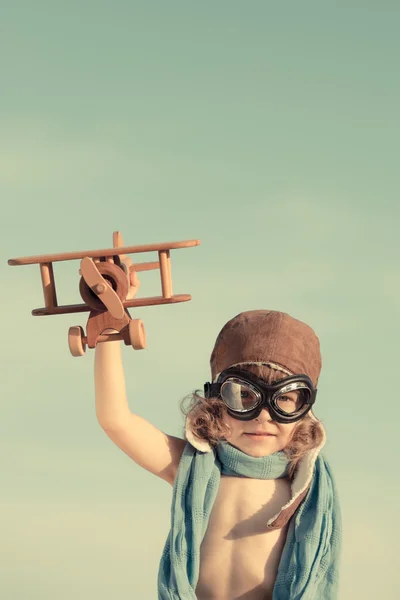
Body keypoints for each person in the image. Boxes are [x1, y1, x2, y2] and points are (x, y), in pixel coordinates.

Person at [95, 310, 341, 600]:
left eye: (284, 399)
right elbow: (116, 420)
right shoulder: (190, 466)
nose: (263, 416)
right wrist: (107, 326)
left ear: (304, 411)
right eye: (243, 396)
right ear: (216, 401)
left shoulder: (301, 484)